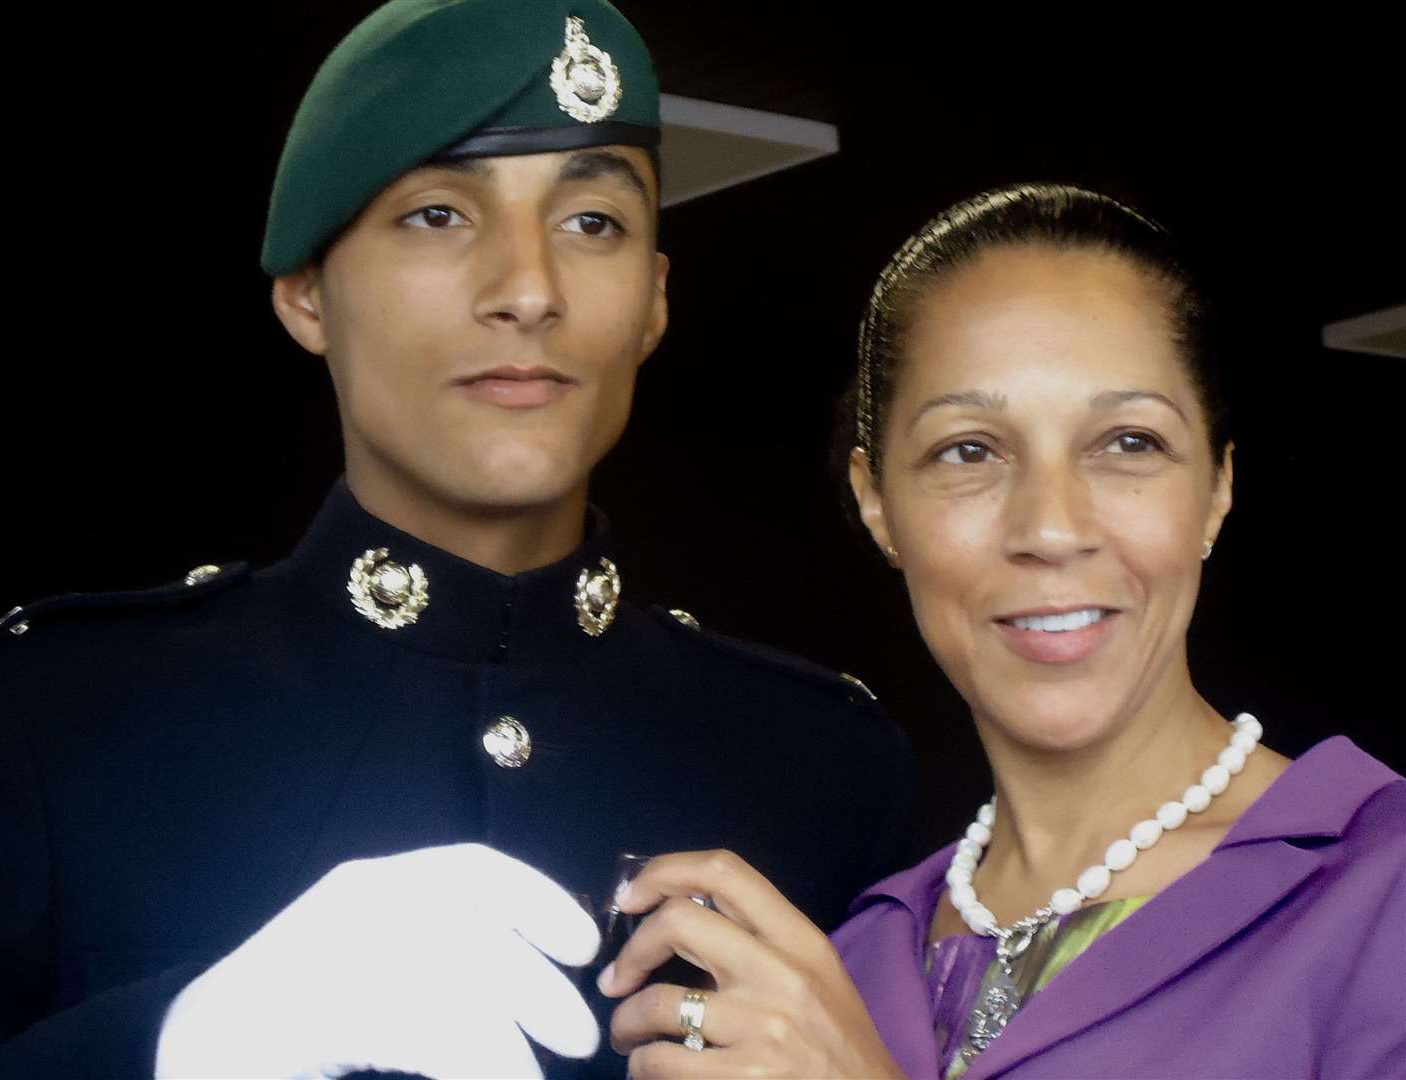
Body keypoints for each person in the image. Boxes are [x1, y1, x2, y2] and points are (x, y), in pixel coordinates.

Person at [0, 2, 916, 1076]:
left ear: (654, 300)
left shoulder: (826, 769)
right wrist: (185, 1043)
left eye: (592, 222)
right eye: (436, 215)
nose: (527, 290)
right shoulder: (53, 722)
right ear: (306, 292)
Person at [595, 184, 1405, 1079]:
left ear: (1215, 488)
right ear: (876, 503)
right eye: (969, 451)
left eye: (1129, 442)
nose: (1052, 529)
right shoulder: (849, 962)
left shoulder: (1380, 888)